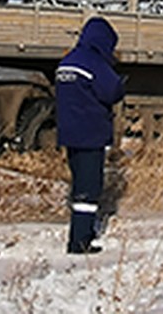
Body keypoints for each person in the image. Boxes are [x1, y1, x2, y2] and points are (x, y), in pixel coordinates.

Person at [55, 15, 126, 254]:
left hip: (70, 134)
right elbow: (112, 91)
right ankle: (80, 241)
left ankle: (81, 231)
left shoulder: (68, 61)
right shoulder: (94, 62)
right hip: (90, 134)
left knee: (79, 183)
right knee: (89, 188)